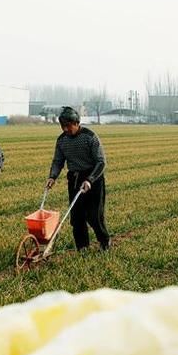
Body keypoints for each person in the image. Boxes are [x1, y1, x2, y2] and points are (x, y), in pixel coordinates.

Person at [45, 106, 110, 251]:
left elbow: (101, 162)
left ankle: (104, 241)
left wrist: (90, 179)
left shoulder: (90, 137)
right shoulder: (62, 140)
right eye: (63, 126)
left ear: (76, 123)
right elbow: (58, 161)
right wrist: (52, 177)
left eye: (68, 126)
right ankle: (82, 247)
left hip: (93, 179)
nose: (65, 129)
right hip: (74, 180)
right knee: (76, 217)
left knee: (94, 216)